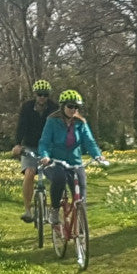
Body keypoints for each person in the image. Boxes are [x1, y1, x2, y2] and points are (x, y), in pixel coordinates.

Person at [38, 90, 108, 221]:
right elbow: (44, 142)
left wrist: (97, 155)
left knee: (81, 187)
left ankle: (81, 219)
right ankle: (54, 209)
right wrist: (45, 156)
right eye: (70, 106)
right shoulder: (52, 121)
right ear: (63, 106)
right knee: (59, 179)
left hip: (75, 161)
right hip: (55, 161)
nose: (73, 109)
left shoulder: (81, 123)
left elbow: (89, 141)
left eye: (76, 107)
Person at [12, 79, 56, 222]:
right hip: (30, 145)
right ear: (35, 95)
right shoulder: (27, 107)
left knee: (56, 176)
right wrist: (18, 144)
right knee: (29, 173)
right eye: (39, 94)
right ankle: (28, 210)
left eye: (45, 94)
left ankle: (55, 207)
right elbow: (21, 126)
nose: (42, 97)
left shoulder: (54, 109)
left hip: (48, 147)